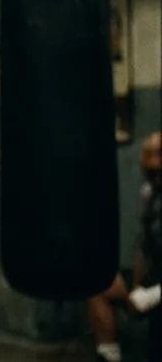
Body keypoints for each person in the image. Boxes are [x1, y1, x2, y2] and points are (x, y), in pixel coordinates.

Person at [87, 131, 162, 362]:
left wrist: (151, 296)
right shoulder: (149, 195)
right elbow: (144, 247)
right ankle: (109, 356)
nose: (151, 174)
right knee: (99, 284)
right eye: (147, 170)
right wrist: (138, 286)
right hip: (156, 278)